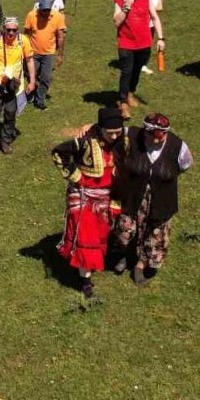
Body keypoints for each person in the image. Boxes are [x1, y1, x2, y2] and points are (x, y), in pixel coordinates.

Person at [111, 113, 194, 286]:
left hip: (162, 199)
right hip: (133, 195)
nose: (158, 140)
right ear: (145, 131)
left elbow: (185, 165)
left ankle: (140, 266)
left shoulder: (178, 146)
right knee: (125, 228)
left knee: (156, 233)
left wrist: (162, 178)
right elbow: (108, 128)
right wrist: (88, 128)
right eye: (153, 136)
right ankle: (124, 255)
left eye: (162, 135)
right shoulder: (131, 135)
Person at [52, 106, 126, 298]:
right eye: (111, 133)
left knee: (101, 234)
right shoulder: (85, 142)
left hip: (107, 197)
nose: (115, 136)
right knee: (86, 237)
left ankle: (90, 268)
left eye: (118, 132)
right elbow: (58, 153)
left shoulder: (123, 140)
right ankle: (85, 281)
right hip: (83, 195)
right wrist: (75, 176)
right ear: (101, 129)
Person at [0, 17, 36, 154]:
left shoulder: (23, 40)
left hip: (14, 84)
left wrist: (32, 81)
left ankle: (5, 140)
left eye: (14, 30)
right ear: (4, 29)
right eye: (8, 30)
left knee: (10, 113)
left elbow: (30, 60)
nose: (11, 33)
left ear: (18, 30)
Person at [113, 0, 165, 113]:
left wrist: (160, 38)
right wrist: (126, 7)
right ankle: (123, 102)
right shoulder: (119, 1)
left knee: (137, 70)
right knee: (126, 72)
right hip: (126, 43)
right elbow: (117, 22)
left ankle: (130, 93)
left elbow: (155, 18)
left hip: (144, 43)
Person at [23, 0, 66, 110]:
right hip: (33, 52)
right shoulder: (31, 15)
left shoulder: (58, 17)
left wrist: (60, 54)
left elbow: (61, 36)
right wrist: (25, 50)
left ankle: (40, 99)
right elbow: (26, 34)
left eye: (48, 10)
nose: (46, 13)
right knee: (30, 74)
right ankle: (31, 92)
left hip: (48, 53)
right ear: (39, 9)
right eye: (43, 11)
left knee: (46, 77)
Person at [139, 0, 163, 75]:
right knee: (139, 45)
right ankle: (139, 65)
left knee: (148, 44)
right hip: (139, 24)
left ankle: (143, 65)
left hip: (151, 24)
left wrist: (150, 7)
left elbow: (160, 7)